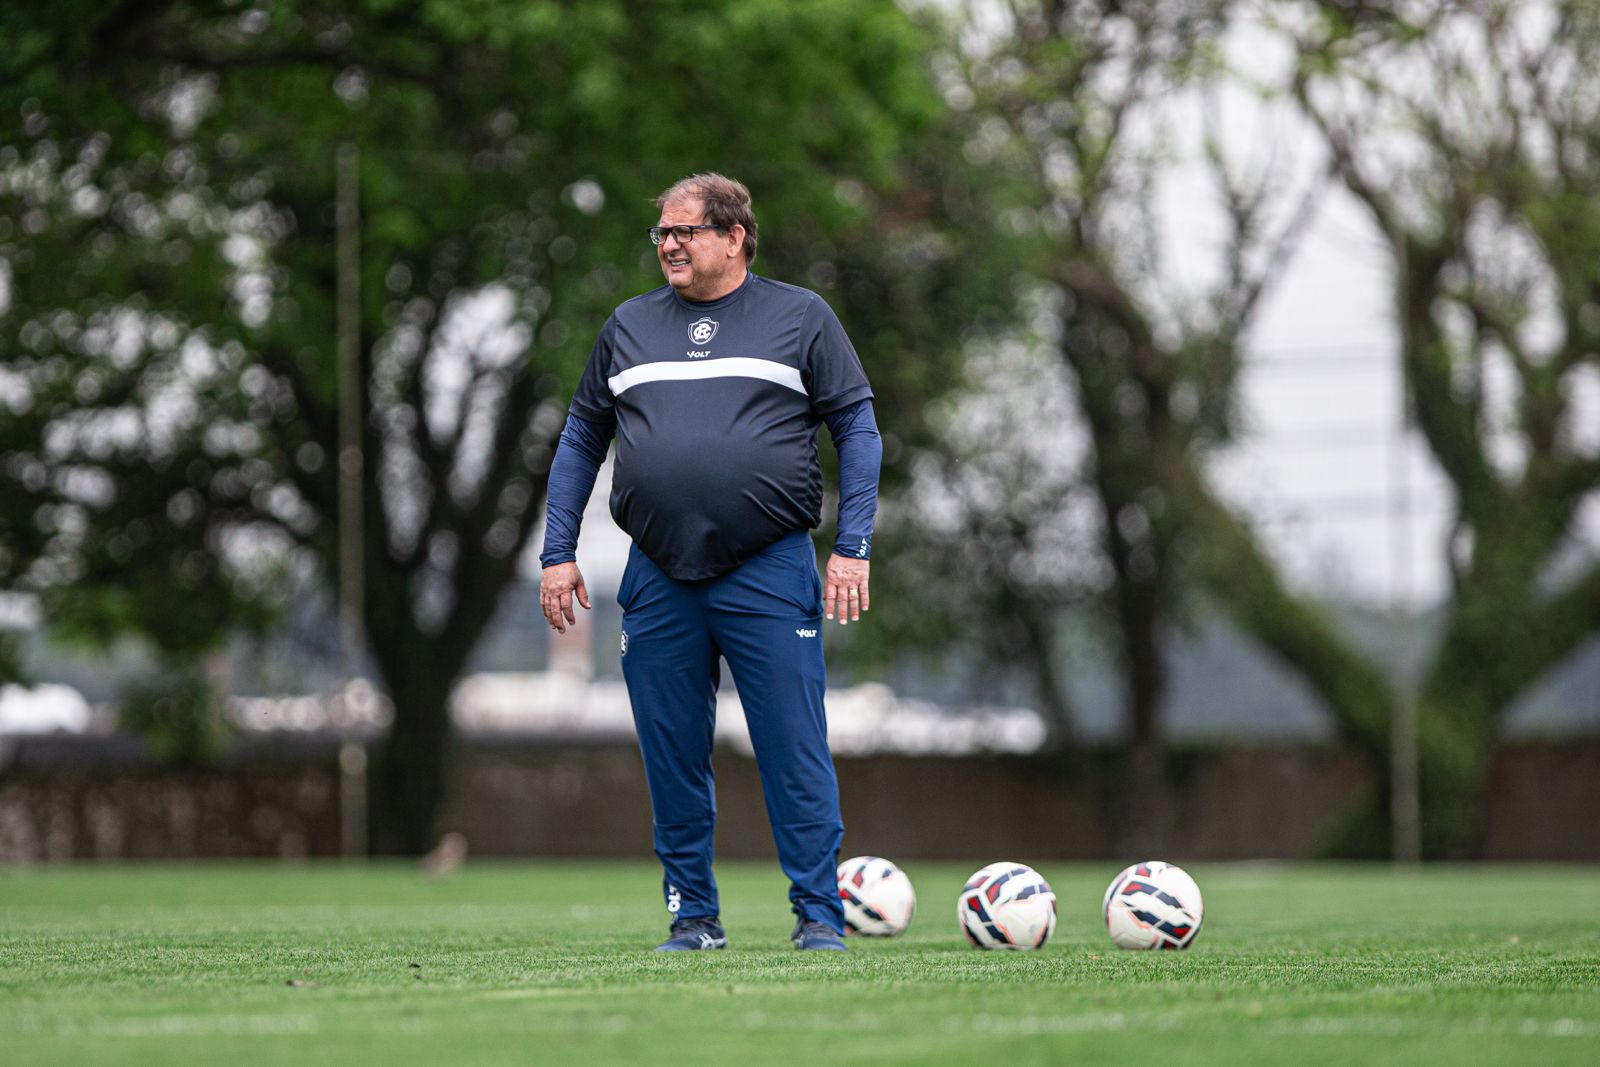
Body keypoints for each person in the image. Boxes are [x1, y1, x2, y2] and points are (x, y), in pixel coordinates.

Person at [538, 173, 881, 952]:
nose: (668, 244)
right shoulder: (626, 327)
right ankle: (693, 917)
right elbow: (579, 440)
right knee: (671, 755)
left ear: (733, 237)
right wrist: (558, 552)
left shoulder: (801, 318)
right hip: (657, 573)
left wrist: (852, 546)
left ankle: (819, 918)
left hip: (768, 566)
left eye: (684, 231)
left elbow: (857, 428)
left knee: (793, 747)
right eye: (661, 233)